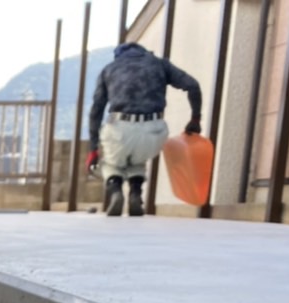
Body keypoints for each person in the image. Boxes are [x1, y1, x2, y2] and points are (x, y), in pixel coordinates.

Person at [86, 43, 203, 218]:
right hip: (154, 130)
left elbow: (96, 110)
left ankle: (116, 190)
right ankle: (135, 193)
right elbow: (193, 85)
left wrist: (93, 149)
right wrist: (195, 119)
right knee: (137, 160)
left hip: (120, 129)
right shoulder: (159, 64)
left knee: (111, 163)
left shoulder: (109, 70)